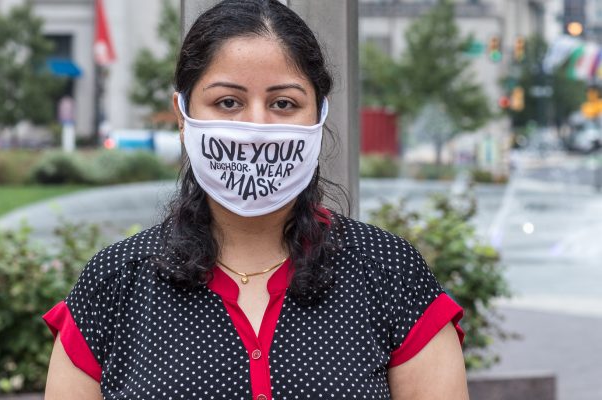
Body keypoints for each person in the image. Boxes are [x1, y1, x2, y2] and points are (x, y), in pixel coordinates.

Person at [43, 1, 468, 399]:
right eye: (228, 102)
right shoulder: (114, 284)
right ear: (182, 115)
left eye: (284, 103)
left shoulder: (388, 273)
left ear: (319, 115)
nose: (256, 128)